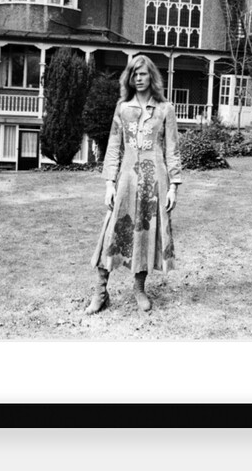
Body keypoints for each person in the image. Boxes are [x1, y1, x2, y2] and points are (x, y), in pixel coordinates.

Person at [86, 54, 182, 314]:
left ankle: (139, 288)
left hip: (154, 183)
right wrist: (109, 184)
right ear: (129, 77)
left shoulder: (165, 109)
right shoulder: (122, 108)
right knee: (111, 232)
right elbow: (114, 148)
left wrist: (174, 186)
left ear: (152, 76)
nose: (138, 78)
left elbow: (171, 150)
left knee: (144, 234)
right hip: (126, 180)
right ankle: (100, 292)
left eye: (143, 74)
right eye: (134, 74)